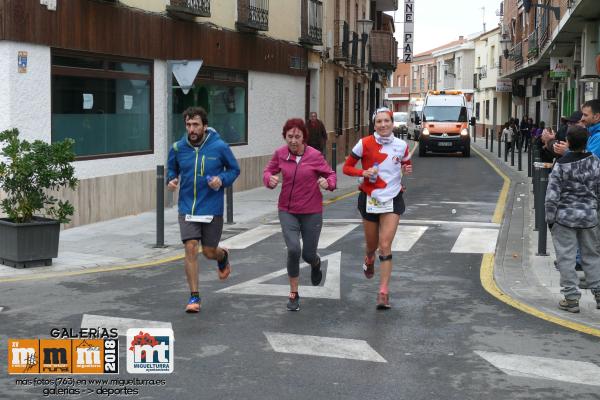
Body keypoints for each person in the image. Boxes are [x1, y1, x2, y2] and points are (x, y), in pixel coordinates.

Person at [167, 106, 241, 313]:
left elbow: (235, 169)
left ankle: (222, 256)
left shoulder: (220, 147)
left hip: (211, 207)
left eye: (196, 124)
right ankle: (194, 296)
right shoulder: (177, 148)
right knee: (191, 247)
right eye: (188, 125)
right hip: (187, 207)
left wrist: (221, 180)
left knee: (208, 252)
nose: (192, 128)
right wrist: (170, 180)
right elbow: (172, 169)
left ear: (205, 126)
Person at [342, 107, 412, 310]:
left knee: (385, 244)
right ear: (374, 125)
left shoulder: (401, 145)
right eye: (379, 122)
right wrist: (363, 172)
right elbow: (347, 168)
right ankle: (369, 257)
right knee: (372, 245)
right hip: (370, 199)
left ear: (392, 123)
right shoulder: (364, 143)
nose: (383, 125)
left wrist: (406, 169)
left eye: (386, 121)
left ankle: (383, 292)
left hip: (393, 199)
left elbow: (406, 164)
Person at [263, 118, 337, 311]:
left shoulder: (315, 156)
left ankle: (316, 262)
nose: (293, 141)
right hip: (288, 211)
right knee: (294, 249)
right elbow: (268, 171)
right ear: (284, 137)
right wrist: (268, 179)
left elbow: (331, 175)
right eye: (290, 137)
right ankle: (294, 293)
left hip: (312, 211)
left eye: (297, 137)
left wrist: (328, 183)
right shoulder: (280, 154)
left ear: (304, 137)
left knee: (308, 254)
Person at [545, 125, 600, 313]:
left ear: (568, 141)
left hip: (565, 218)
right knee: (592, 256)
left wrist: (550, 219)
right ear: (586, 142)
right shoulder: (595, 162)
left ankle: (571, 298)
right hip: (589, 218)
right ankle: (599, 293)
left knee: (565, 258)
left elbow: (552, 195)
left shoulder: (561, 165)